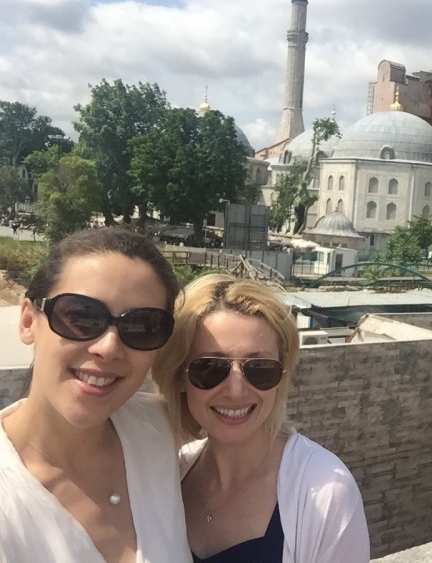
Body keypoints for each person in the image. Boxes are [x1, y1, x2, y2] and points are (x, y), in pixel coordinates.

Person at [0, 227, 192, 562]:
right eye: (81, 317)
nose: (108, 347)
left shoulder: (160, 430)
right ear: (29, 321)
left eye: (142, 327)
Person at [153, 274, 370, 563]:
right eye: (210, 368)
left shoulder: (326, 492)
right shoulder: (166, 477)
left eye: (259, 368)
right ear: (180, 376)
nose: (235, 390)